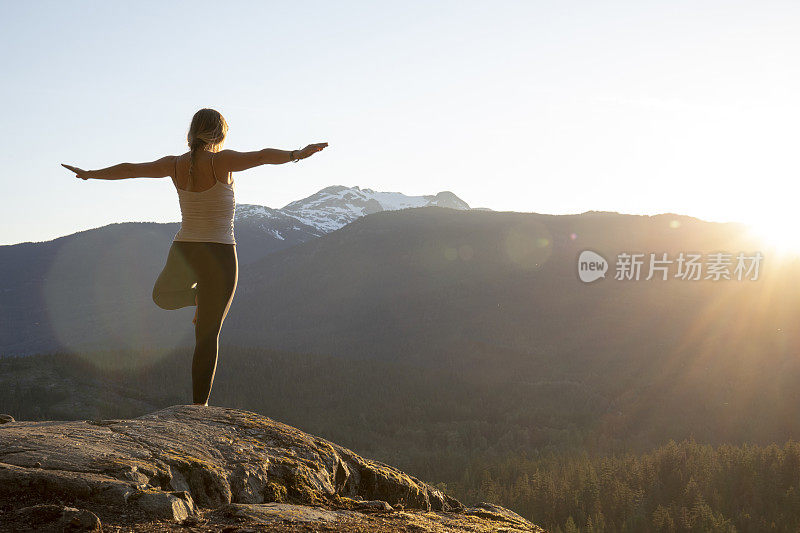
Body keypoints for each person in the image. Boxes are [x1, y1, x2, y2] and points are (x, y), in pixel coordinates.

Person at [61, 108, 328, 406]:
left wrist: (90, 174)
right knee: (207, 336)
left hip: (185, 250)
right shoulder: (220, 161)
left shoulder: (174, 164)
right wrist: (297, 154)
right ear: (219, 134)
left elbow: (129, 169)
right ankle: (199, 407)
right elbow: (263, 155)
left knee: (162, 296)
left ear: (192, 132)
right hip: (220, 253)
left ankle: (200, 300)